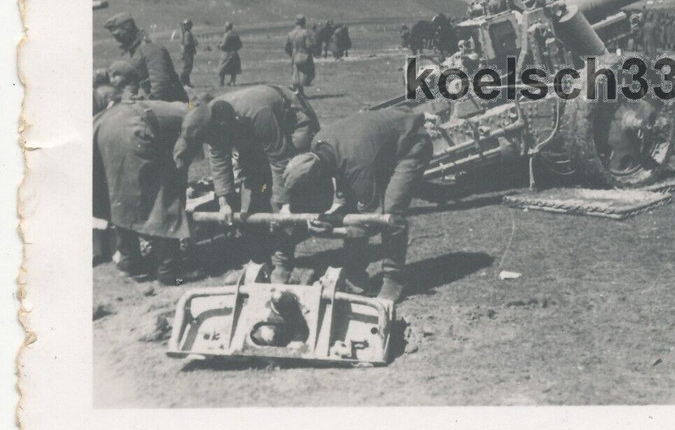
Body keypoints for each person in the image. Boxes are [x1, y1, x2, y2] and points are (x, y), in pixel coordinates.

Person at [281, 107, 434, 301]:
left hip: (412, 144)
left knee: (392, 212)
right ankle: (356, 276)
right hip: (378, 145)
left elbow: (373, 220)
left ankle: (393, 278)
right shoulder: (318, 145)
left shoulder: (358, 165)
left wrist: (333, 230)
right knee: (353, 210)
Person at [173, 84, 320, 283]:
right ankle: (258, 261)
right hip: (252, 131)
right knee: (250, 194)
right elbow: (219, 160)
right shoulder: (210, 121)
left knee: (283, 196)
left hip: (292, 123)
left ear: (221, 124)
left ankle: (283, 263)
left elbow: (280, 161)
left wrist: (284, 204)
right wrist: (224, 202)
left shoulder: (257, 114)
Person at [92, 98, 202, 284]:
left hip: (107, 123)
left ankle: (130, 262)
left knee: (121, 197)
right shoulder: (200, 114)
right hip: (132, 129)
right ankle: (169, 269)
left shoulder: (180, 107)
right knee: (161, 199)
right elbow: (179, 166)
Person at [103, 13, 189, 102]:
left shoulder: (150, 47)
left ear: (128, 28)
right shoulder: (135, 49)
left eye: (118, 35)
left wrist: (143, 102)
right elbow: (133, 81)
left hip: (171, 102)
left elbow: (160, 85)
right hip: (151, 100)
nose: (117, 39)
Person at [285, 14, 316, 91]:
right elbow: (309, 45)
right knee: (305, 73)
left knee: (296, 72)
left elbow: (287, 47)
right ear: (304, 22)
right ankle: (299, 91)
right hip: (304, 54)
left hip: (294, 54)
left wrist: (291, 53)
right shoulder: (305, 33)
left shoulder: (290, 33)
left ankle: (298, 90)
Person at [218, 22, 242, 86]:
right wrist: (235, 49)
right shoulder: (236, 34)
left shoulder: (227, 35)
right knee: (234, 69)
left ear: (227, 27)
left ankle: (221, 82)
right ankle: (232, 82)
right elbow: (240, 44)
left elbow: (223, 45)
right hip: (235, 53)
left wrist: (219, 46)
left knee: (221, 68)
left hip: (227, 54)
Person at [178, 19, 198, 87]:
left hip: (186, 52)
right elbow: (187, 43)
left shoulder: (185, 33)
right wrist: (194, 43)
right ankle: (182, 82)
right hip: (187, 53)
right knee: (187, 67)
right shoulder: (187, 34)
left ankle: (186, 82)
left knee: (187, 67)